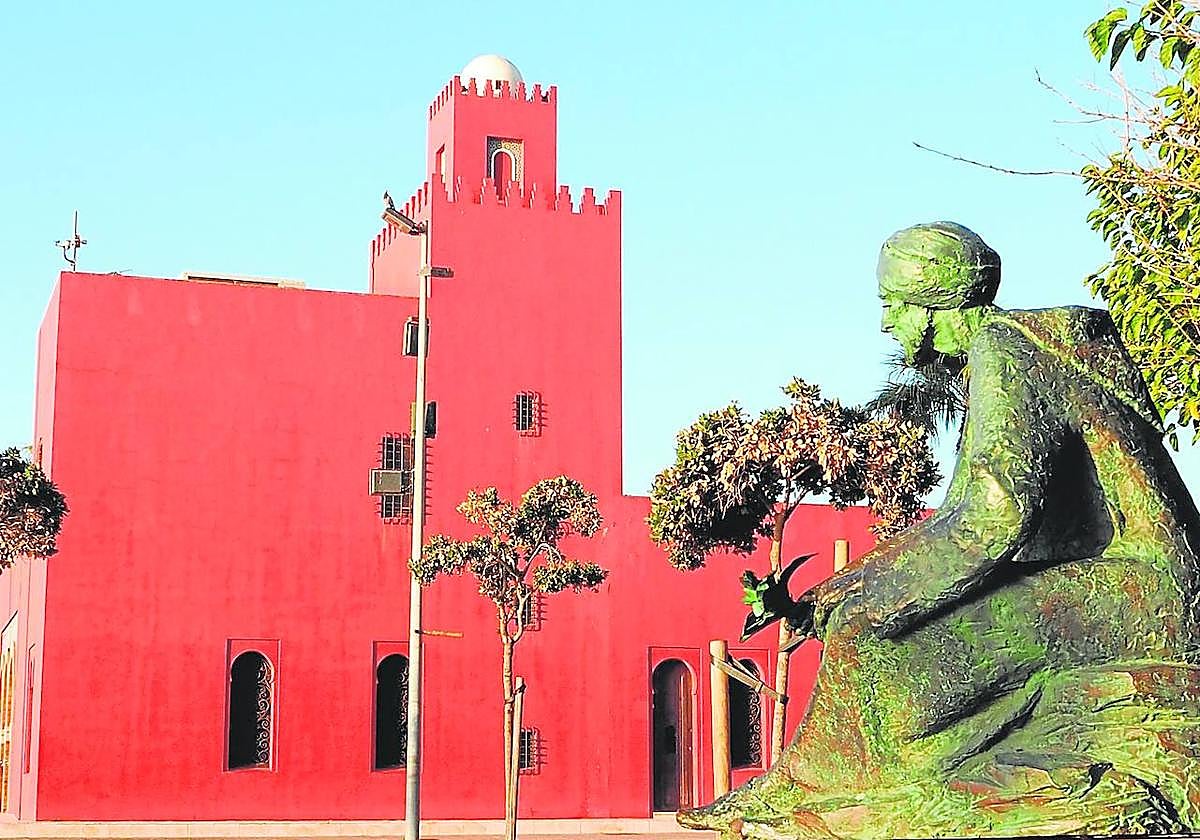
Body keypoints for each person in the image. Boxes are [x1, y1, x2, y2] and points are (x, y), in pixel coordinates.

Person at [681, 222, 1200, 839]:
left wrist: (865, 599)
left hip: (1146, 589)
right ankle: (834, 786)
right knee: (870, 620)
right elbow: (971, 521)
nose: (885, 324)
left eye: (892, 304)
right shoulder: (1019, 345)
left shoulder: (1002, 353)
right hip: (1138, 574)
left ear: (933, 304)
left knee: (874, 632)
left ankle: (816, 795)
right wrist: (841, 587)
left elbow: (995, 516)